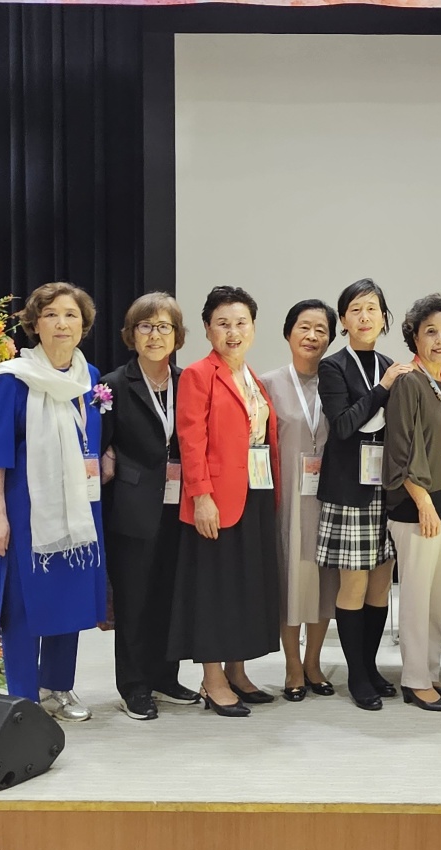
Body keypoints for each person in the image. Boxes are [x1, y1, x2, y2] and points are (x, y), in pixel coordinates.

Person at [0, 282, 107, 722]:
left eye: (71, 315)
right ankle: (23, 698)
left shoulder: (89, 378)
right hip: (24, 511)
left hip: (80, 507)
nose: (61, 323)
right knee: (21, 606)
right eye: (51, 314)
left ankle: (58, 687)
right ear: (35, 324)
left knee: (67, 599)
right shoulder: (11, 379)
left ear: (84, 325)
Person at [170, 285, 283, 717]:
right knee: (215, 589)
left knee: (245, 585)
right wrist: (201, 497)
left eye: (241, 323)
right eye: (223, 324)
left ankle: (237, 671)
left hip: (255, 493)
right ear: (207, 329)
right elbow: (191, 440)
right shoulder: (199, 375)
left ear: (253, 327)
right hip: (217, 498)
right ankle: (212, 678)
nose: (233, 332)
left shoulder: (252, 377)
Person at [98, 292, 202, 720]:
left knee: (169, 595)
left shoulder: (188, 381)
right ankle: (134, 686)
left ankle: (164, 676)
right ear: (131, 333)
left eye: (164, 327)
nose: (155, 335)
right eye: (146, 326)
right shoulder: (114, 385)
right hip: (132, 507)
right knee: (135, 600)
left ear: (177, 336)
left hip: (180, 507)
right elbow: (98, 446)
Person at [317, 279, 410, 710]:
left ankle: (370, 667)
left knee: (379, 585)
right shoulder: (333, 367)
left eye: (372, 308)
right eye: (355, 309)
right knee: (353, 585)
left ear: (384, 317)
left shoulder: (392, 365)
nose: (365, 316)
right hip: (349, 490)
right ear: (343, 320)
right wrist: (384, 388)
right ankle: (356, 675)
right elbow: (343, 425)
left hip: (387, 489)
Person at [384, 295, 441, 712]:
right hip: (417, 505)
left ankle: (432, 671)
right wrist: (423, 502)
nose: (440, 340)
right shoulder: (409, 382)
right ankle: (415, 679)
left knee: (438, 597)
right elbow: (401, 449)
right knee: (417, 596)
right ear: (415, 338)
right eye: (430, 332)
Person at [261, 299, 341, 702]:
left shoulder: (336, 381)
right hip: (288, 501)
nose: (312, 336)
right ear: (288, 332)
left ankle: (314, 662)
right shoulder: (267, 384)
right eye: (304, 327)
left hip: (329, 498)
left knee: (325, 583)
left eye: (321, 330)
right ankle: (292, 666)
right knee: (290, 581)